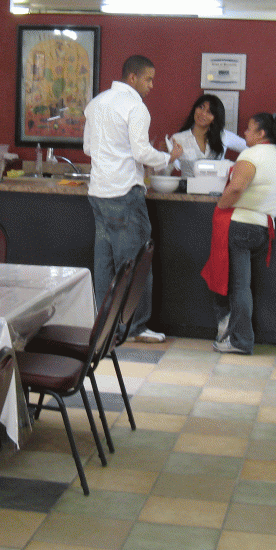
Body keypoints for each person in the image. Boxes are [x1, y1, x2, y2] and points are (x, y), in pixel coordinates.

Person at [84, 54, 183, 343]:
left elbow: (89, 148)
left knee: (105, 265)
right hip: (125, 193)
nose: (152, 85)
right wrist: (169, 156)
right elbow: (141, 153)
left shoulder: (97, 103)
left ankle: (106, 325)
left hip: (98, 194)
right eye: (149, 79)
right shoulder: (136, 108)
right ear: (133, 78)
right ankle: (136, 327)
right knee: (136, 263)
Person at [209, 112, 276, 354]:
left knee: (239, 287)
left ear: (261, 134)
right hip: (264, 228)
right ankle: (239, 336)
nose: (244, 133)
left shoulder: (251, 155)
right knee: (245, 286)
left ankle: (241, 340)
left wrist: (221, 204)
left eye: (248, 128)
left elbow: (236, 188)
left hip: (241, 226)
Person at [170, 94, 247, 176]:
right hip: (187, 186)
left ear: (215, 118)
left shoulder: (223, 136)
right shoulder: (178, 138)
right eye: (201, 108)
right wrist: (171, 157)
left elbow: (249, 148)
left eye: (209, 112)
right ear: (194, 109)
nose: (203, 114)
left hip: (217, 186)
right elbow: (167, 169)